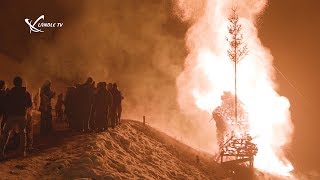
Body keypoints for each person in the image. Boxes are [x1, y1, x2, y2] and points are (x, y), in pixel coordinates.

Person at [0, 76, 32, 160]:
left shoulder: (10, 92)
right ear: (21, 83)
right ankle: (22, 152)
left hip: (12, 115)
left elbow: (5, 103)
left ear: (14, 83)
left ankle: (1, 152)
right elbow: (30, 105)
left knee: (6, 133)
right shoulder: (26, 92)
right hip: (22, 115)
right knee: (22, 133)